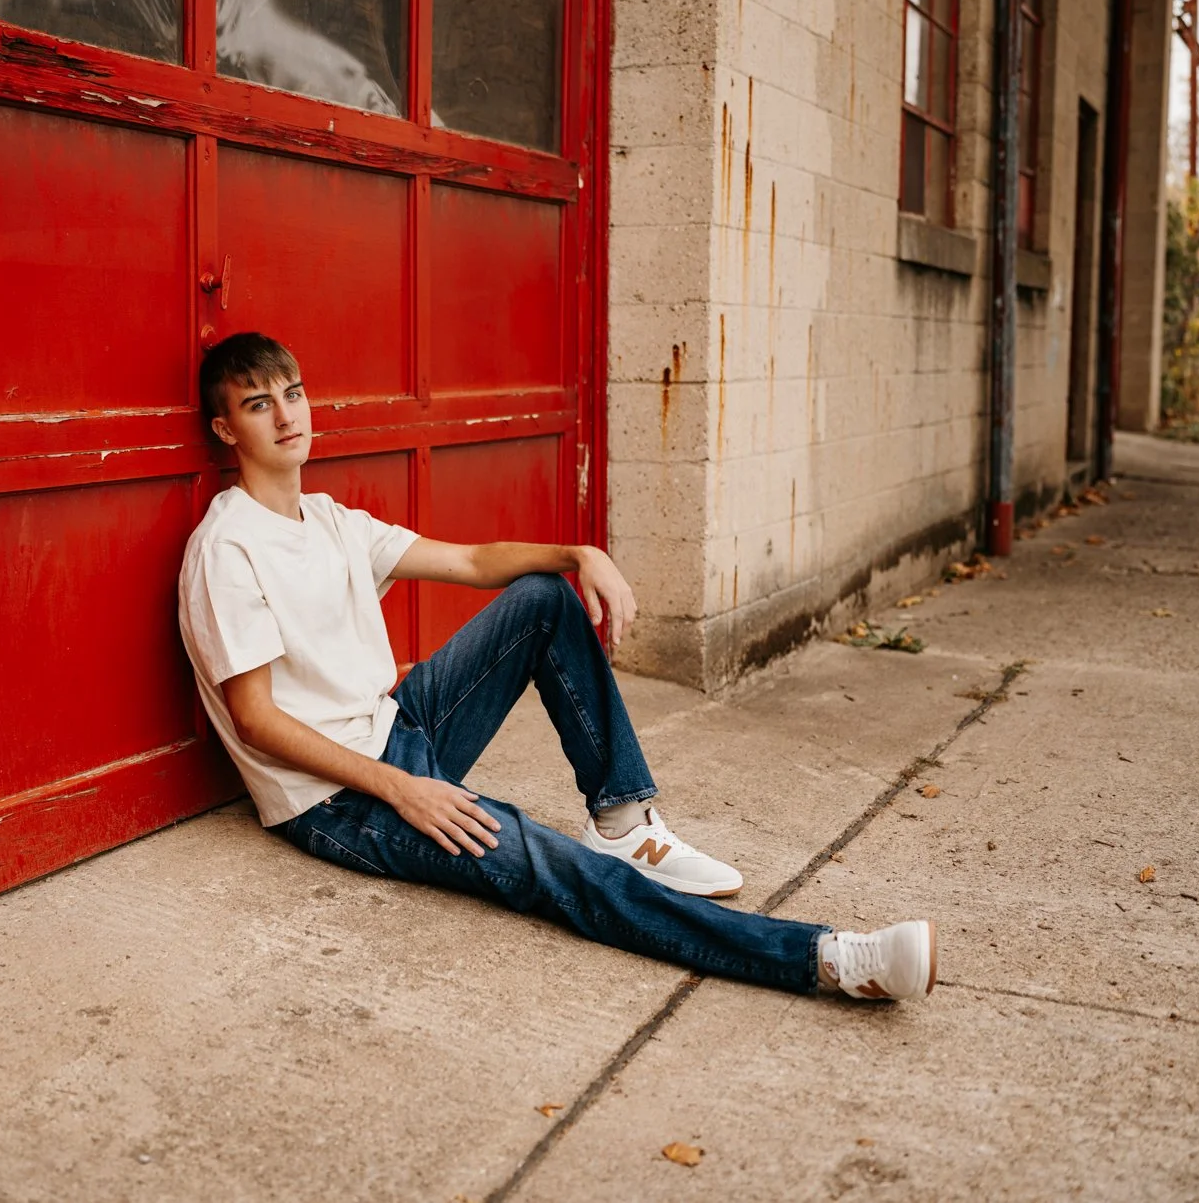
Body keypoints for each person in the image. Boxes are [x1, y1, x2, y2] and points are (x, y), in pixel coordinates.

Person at [176, 333, 936, 1001]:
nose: (286, 415)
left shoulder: (333, 520)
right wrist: (403, 788)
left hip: (398, 730)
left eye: (295, 393)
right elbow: (258, 719)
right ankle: (827, 959)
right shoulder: (228, 548)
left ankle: (622, 818)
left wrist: (580, 552)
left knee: (543, 596)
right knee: (546, 863)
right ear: (225, 428)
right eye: (258, 404)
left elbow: (474, 560)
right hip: (340, 801)